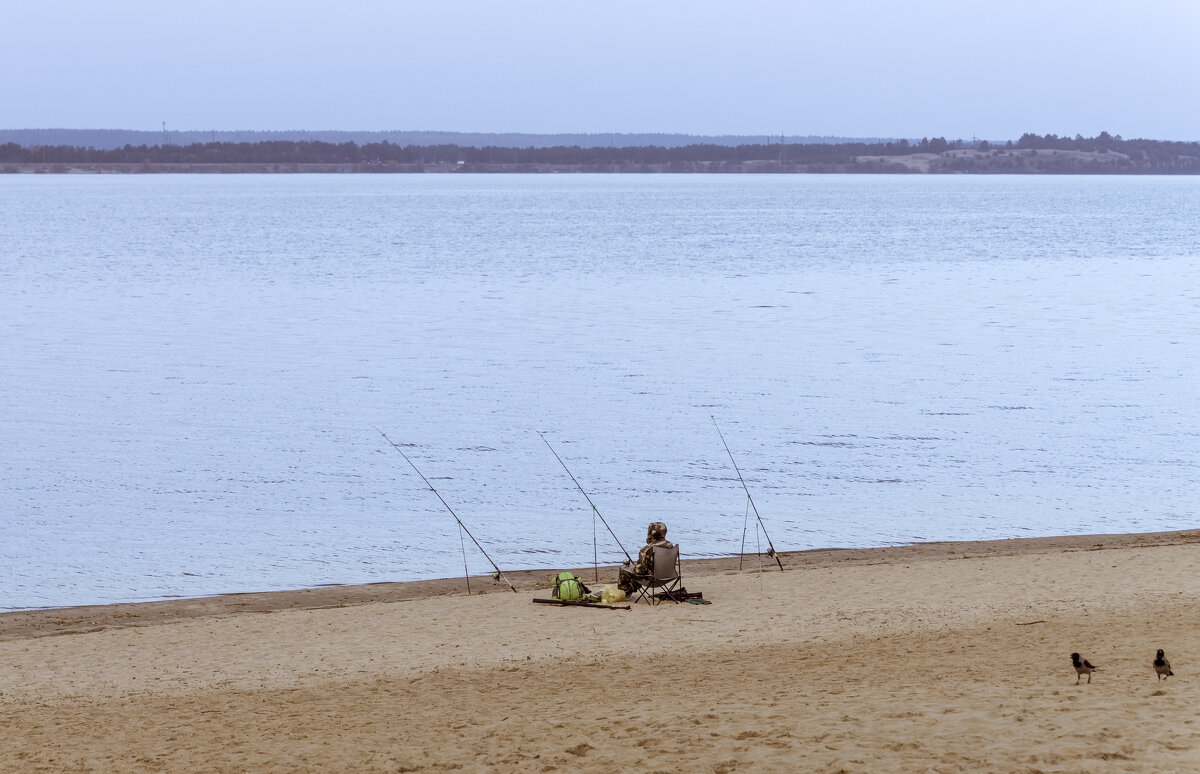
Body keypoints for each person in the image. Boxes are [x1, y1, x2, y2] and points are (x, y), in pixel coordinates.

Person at [617, 521, 674, 594]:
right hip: (668, 576)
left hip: (651, 579)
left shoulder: (646, 549)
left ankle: (626, 593)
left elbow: (639, 572)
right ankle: (632, 587)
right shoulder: (670, 545)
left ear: (651, 533)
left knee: (624, 569)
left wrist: (633, 567)